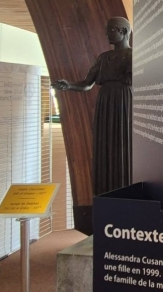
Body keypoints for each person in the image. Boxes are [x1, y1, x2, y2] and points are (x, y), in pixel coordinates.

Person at [53, 17, 132, 196]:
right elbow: (86, 84)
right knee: (104, 142)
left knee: (123, 141)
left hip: (123, 101)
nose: (106, 34)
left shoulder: (132, 55)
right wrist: (69, 85)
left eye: (111, 30)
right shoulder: (103, 58)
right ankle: (105, 190)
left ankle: (124, 189)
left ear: (123, 31)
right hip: (105, 102)